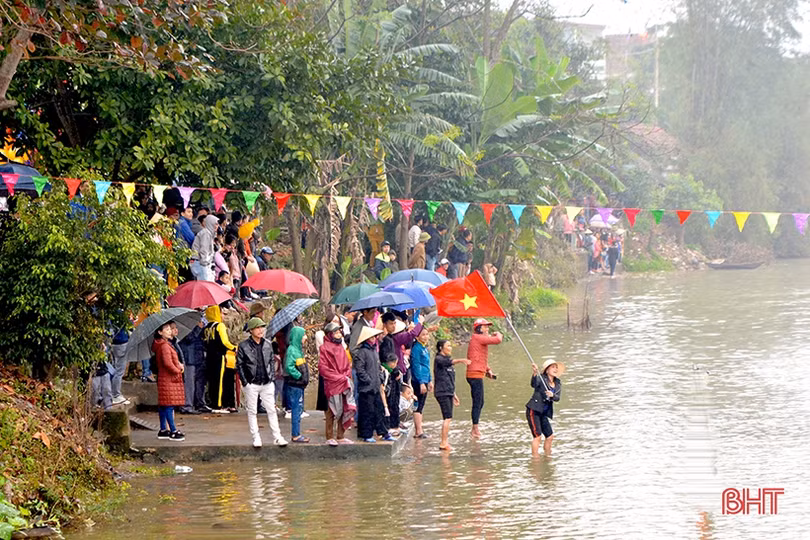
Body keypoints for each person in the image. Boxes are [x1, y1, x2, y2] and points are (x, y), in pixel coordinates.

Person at [237, 318, 288, 448]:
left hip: (267, 382)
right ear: (251, 330)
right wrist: (245, 382)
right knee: (252, 411)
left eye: (262, 327)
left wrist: (271, 376)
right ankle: (256, 437)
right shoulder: (243, 346)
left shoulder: (267, 344)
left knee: (271, 410)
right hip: (252, 383)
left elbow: (271, 360)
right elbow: (240, 365)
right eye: (257, 328)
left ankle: (277, 436)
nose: (260, 330)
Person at [353, 327, 393, 443]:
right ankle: (366, 434)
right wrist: (368, 380)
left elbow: (378, 366)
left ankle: (384, 432)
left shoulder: (374, 350)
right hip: (366, 388)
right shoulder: (361, 352)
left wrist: (380, 377)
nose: (375, 339)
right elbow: (360, 370)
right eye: (372, 337)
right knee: (367, 412)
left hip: (375, 386)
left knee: (379, 410)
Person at [319, 321, 356, 446]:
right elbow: (323, 368)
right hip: (332, 383)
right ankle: (329, 436)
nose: (339, 334)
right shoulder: (324, 348)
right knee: (331, 410)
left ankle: (340, 435)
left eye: (339, 331)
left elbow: (346, 363)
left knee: (344, 407)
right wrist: (337, 377)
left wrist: (346, 374)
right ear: (330, 334)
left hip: (343, 381)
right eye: (336, 332)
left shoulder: (341, 347)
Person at [465, 318, 503, 438]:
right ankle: (475, 430)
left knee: (480, 402)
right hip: (474, 375)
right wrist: (498, 333)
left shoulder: (477, 339)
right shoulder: (477, 337)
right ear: (479, 328)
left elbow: (479, 357)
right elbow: (498, 340)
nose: (487, 329)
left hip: (476, 374)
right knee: (478, 402)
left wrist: (488, 370)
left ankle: (475, 427)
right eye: (485, 327)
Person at [433, 340, 470, 451]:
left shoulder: (447, 360)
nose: (450, 348)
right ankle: (443, 443)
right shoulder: (439, 359)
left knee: (448, 418)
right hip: (442, 392)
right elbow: (448, 363)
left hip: (448, 391)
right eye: (448, 346)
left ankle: (445, 441)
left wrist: (454, 394)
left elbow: (449, 379)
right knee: (447, 417)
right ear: (441, 348)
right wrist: (461, 360)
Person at [153, 322, 186, 441]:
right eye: (166, 329)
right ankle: (172, 430)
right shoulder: (164, 346)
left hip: (164, 377)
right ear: (160, 332)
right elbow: (167, 363)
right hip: (168, 378)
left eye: (169, 329)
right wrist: (178, 370)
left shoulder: (164, 344)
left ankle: (163, 429)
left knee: (164, 404)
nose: (169, 331)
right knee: (168, 405)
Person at [203, 304, 238, 412]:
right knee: (220, 380)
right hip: (220, 357)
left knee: (212, 381)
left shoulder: (206, 327)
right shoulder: (219, 326)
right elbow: (225, 342)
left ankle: (213, 402)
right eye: (221, 313)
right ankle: (218, 404)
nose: (223, 315)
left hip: (209, 357)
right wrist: (234, 347)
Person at [526, 359, 563, 456]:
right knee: (537, 436)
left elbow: (557, 398)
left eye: (556, 367)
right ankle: (535, 459)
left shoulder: (558, 383)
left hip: (544, 412)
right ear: (547, 370)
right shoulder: (541, 379)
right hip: (534, 410)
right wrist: (534, 373)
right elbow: (533, 384)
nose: (555, 369)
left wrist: (552, 395)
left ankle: (547, 456)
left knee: (550, 436)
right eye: (552, 367)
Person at [380, 313, 423, 390]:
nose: (393, 326)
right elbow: (412, 334)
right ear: (385, 324)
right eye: (391, 323)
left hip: (398, 370)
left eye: (394, 323)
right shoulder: (395, 337)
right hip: (395, 371)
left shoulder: (391, 338)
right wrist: (420, 324)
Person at [179, 313, 210, 414]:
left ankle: (199, 403)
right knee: (189, 383)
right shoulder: (184, 323)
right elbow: (188, 338)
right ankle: (187, 405)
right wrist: (198, 327)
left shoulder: (200, 320)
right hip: (189, 356)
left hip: (198, 355)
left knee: (200, 382)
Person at [284, 325, 310, 443]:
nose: (305, 337)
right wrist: (299, 376)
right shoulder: (292, 350)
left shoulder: (298, 349)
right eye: (303, 335)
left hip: (300, 385)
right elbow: (289, 367)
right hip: (295, 385)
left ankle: (297, 433)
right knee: (296, 409)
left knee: (298, 409)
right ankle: (295, 434)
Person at [410, 327, 432, 438]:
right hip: (418, 381)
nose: (426, 337)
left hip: (425, 378)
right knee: (418, 405)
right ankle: (418, 431)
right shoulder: (416, 348)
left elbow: (427, 366)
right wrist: (421, 382)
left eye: (427, 334)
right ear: (417, 336)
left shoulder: (424, 348)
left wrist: (430, 380)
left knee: (422, 405)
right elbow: (416, 366)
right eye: (423, 334)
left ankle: (420, 429)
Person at [191, 214, 219, 281]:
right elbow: (204, 250)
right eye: (215, 224)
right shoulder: (206, 233)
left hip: (201, 263)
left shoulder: (209, 233)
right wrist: (205, 264)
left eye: (217, 224)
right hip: (201, 263)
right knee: (204, 286)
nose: (216, 226)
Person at [381, 354, 402, 434]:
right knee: (390, 408)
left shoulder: (392, 371)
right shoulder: (386, 371)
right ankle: (390, 426)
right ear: (392, 363)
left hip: (390, 392)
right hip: (388, 393)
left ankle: (393, 425)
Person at [110, 326, 130, 406]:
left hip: (115, 343)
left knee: (114, 369)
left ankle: (113, 394)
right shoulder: (120, 314)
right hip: (121, 342)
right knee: (119, 371)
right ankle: (116, 395)